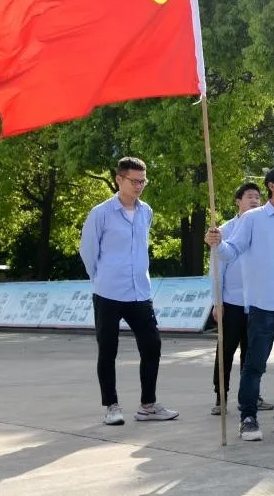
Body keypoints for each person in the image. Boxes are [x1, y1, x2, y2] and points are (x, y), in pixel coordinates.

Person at [204, 164, 274, 441]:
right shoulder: (252, 219)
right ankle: (248, 418)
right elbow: (232, 251)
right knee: (255, 365)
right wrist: (216, 243)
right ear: (272, 186)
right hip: (263, 304)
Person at [80, 156, 178, 426]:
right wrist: (100, 278)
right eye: (134, 181)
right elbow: (88, 251)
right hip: (108, 292)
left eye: (143, 181)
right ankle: (111, 406)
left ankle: (148, 405)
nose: (139, 186)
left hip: (139, 293)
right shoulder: (101, 213)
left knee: (152, 346)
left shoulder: (146, 211)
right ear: (119, 179)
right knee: (108, 350)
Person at [209, 182, 274, 415]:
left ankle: (251, 396)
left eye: (258, 197)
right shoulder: (225, 231)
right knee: (226, 351)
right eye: (249, 196)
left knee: (253, 353)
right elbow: (217, 270)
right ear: (238, 201)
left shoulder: (265, 228)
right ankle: (221, 397)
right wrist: (217, 302)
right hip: (232, 302)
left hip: (257, 302)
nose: (255, 201)